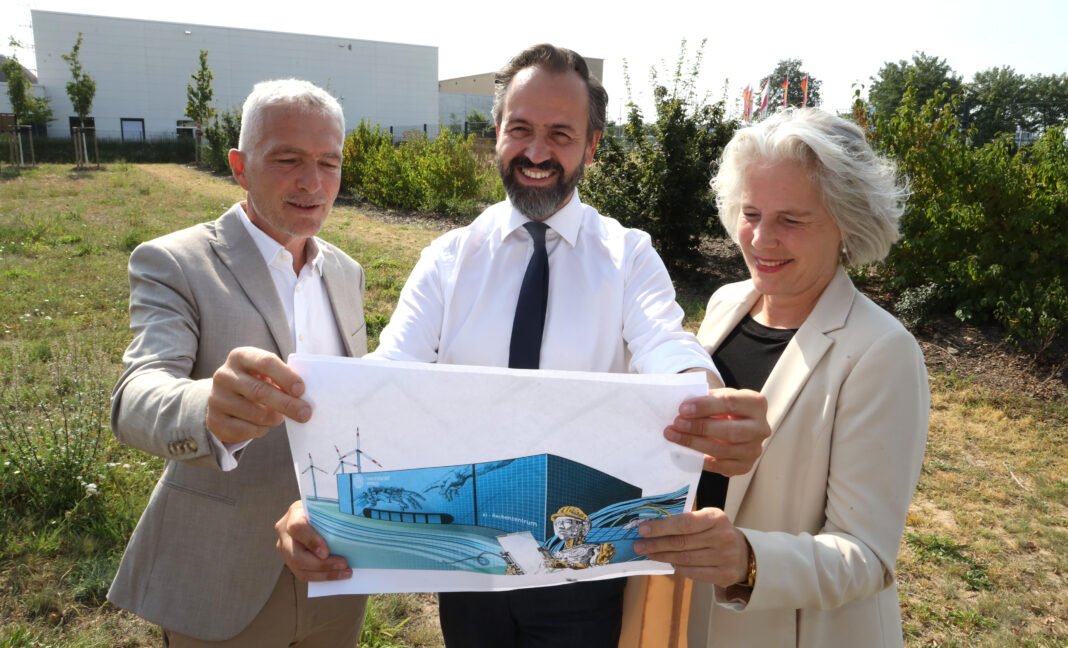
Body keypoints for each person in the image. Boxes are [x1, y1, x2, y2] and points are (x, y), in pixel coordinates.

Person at [274, 44, 772, 648]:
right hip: (469, 564)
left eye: (561, 134)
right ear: (497, 132)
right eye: (521, 129)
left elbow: (665, 343)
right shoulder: (449, 259)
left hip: (583, 567)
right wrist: (326, 505)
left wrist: (707, 400)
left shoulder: (627, 256)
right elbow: (389, 378)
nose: (537, 153)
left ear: (591, 146)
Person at [634, 108, 930, 647]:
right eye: (750, 213)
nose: (761, 239)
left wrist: (746, 560)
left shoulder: (881, 351)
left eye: (791, 220)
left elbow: (866, 554)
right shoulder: (727, 303)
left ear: (849, 222)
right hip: (692, 616)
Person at [107, 79, 369, 647]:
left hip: (335, 568)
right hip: (223, 576)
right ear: (240, 166)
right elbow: (136, 395)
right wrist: (207, 407)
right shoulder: (175, 262)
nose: (312, 182)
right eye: (288, 159)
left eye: (329, 162)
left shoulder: (346, 273)